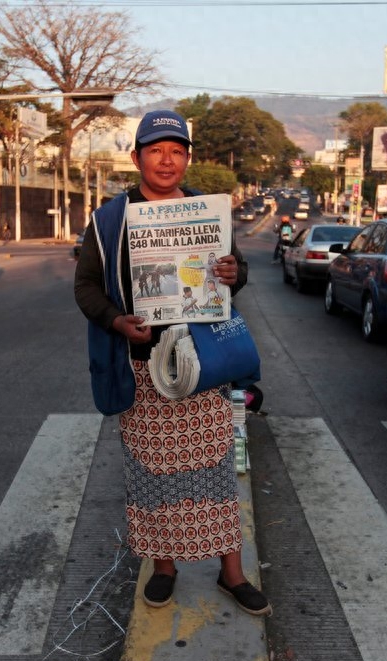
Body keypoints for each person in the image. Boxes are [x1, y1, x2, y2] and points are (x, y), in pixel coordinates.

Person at [74, 110, 269, 616]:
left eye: (177, 150)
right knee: (152, 476)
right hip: (141, 369)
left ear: (188, 159)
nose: (167, 159)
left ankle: (232, 574)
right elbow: (85, 288)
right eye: (156, 150)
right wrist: (118, 322)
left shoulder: (207, 213)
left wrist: (232, 271)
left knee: (216, 472)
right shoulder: (109, 220)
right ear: (136, 157)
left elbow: (237, 270)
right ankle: (164, 568)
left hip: (203, 365)